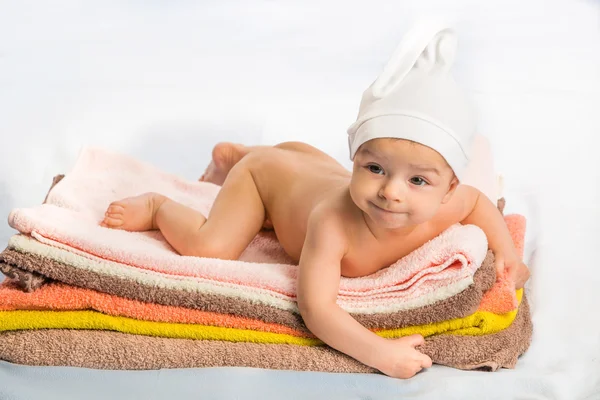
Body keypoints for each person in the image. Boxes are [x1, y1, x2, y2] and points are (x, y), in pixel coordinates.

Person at [100, 23, 530, 379]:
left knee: (299, 172)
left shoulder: (452, 204)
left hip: (305, 167)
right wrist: (380, 353)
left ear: (447, 189)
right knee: (212, 247)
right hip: (266, 182)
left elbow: (478, 203)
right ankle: (168, 202)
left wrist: (507, 255)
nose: (391, 191)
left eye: (417, 180)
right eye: (374, 168)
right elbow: (316, 308)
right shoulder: (333, 223)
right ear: (356, 157)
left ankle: (241, 153)